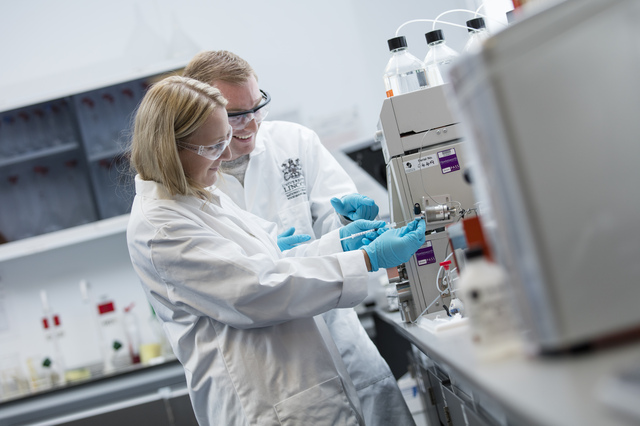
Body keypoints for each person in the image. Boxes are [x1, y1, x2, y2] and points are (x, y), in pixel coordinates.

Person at [126, 75, 425, 425]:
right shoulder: (161, 227)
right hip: (268, 402)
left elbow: (273, 260)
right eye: (212, 147)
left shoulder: (199, 196)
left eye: (225, 141)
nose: (224, 156)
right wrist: (366, 259)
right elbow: (257, 289)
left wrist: (341, 242)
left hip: (305, 383)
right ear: (168, 149)